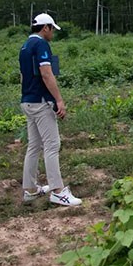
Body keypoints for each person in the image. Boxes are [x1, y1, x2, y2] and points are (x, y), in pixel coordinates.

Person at [19, 13, 82, 206]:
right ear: (45, 27)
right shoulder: (41, 45)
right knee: (52, 145)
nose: (53, 32)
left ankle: (30, 190)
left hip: (28, 102)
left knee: (34, 146)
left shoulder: (24, 47)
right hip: (40, 103)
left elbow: (23, 77)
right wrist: (59, 100)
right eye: (52, 28)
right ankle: (58, 191)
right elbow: (46, 74)